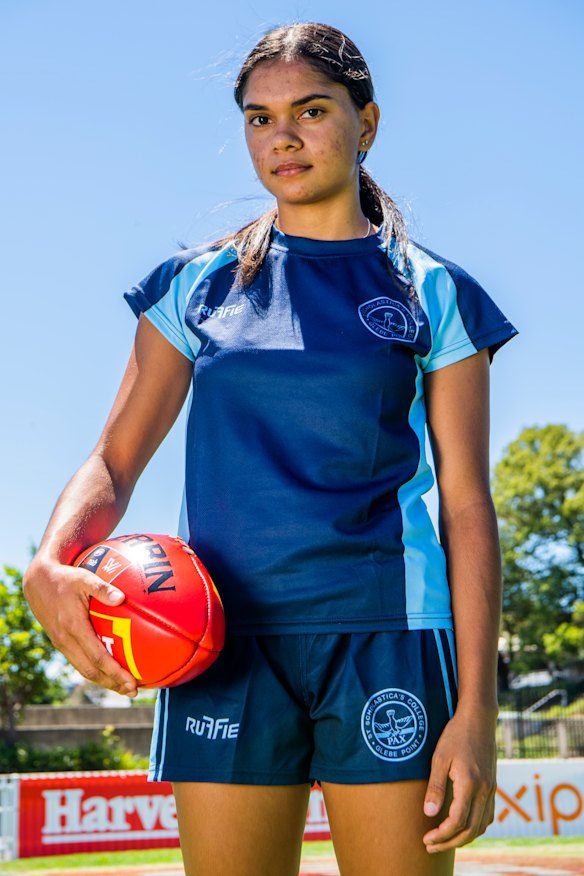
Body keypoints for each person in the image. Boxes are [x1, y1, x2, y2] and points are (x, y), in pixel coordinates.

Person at [24, 21, 518, 876]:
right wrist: (50, 559)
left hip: (385, 636)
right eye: (259, 118)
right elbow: (114, 459)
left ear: (367, 123)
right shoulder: (195, 284)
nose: (282, 137)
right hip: (215, 642)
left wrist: (476, 709)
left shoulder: (434, 291)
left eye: (311, 110)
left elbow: (467, 503)